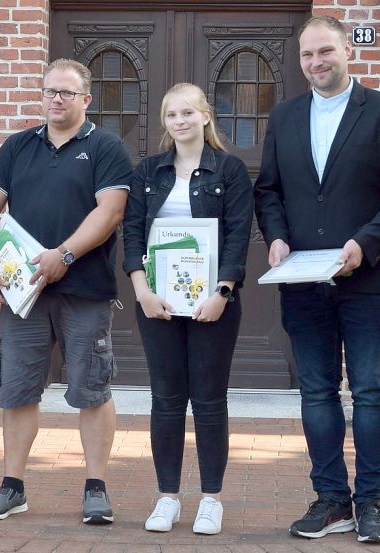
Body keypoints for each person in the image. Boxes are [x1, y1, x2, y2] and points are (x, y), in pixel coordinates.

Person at [254, 16, 380, 544]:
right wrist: (277, 238)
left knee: (371, 392)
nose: (316, 63)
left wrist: (363, 245)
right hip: (303, 282)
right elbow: (269, 191)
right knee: (316, 392)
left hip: (367, 279)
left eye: (325, 51)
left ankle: (370, 502)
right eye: (307, 55)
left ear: (347, 49)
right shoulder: (284, 116)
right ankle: (331, 501)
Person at [0, 59, 131, 523]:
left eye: (65, 92)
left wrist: (65, 255)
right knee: (17, 388)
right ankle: (12, 486)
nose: (55, 99)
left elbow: (111, 211)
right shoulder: (18, 147)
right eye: (48, 92)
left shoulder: (105, 146)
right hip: (23, 294)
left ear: (86, 99)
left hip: (85, 290)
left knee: (92, 387)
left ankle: (96, 487)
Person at [122, 83, 253, 535]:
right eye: (171, 114)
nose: (179, 121)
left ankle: (211, 499)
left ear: (205, 117)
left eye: (187, 113)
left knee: (211, 399)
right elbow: (133, 233)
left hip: (211, 302)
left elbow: (238, 235)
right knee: (166, 398)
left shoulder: (230, 171)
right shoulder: (147, 172)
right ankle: (168, 497)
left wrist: (222, 292)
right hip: (157, 301)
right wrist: (140, 288)